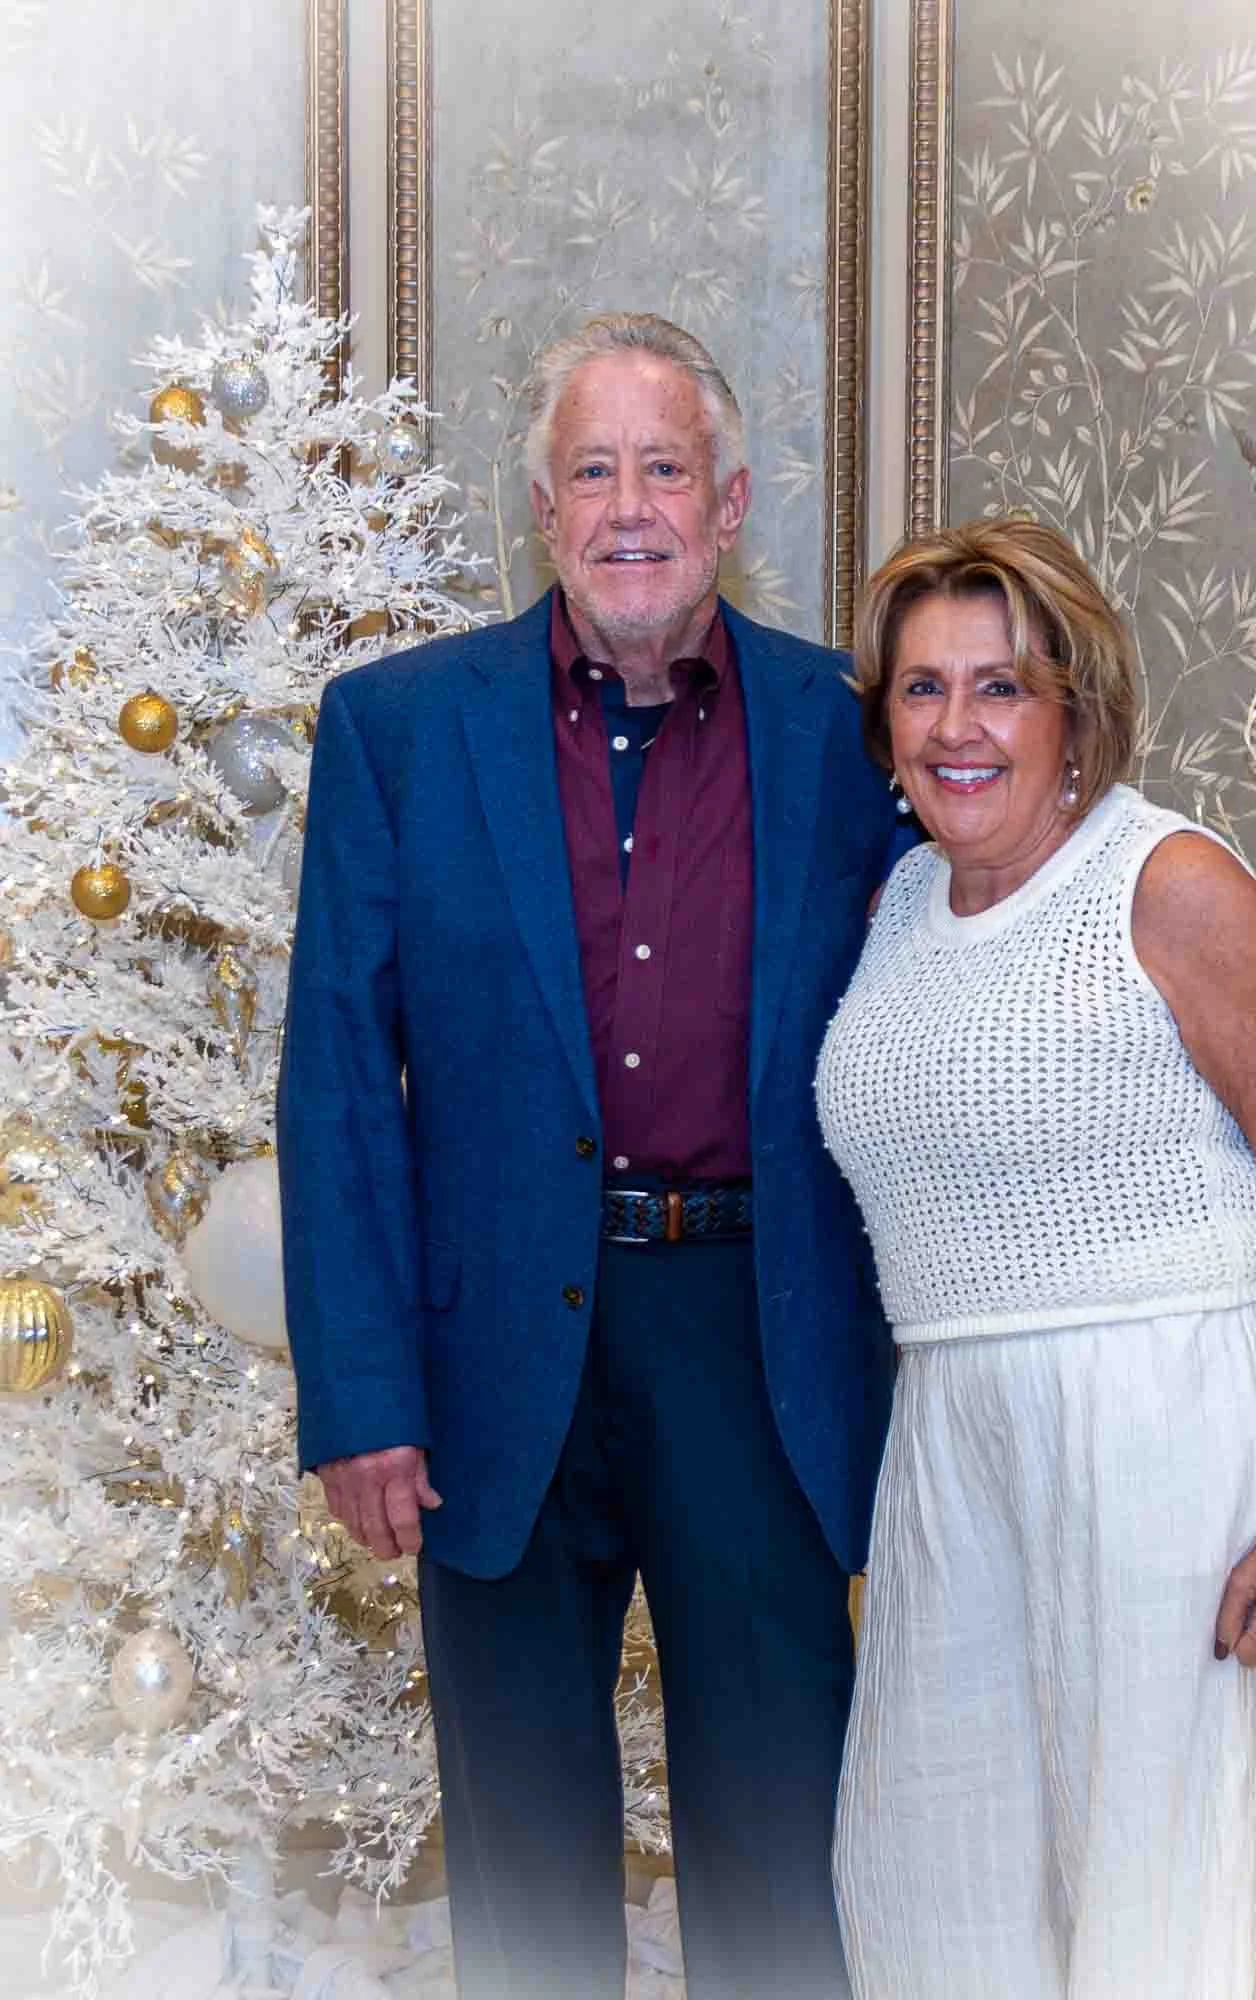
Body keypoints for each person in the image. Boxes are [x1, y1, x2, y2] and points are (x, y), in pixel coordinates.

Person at [276, 314, 905, 1999]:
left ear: (734, 498)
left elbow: (992, 954)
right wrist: (359, 1395)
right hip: (491, 1364)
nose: (633, 506)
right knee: (527, 1874)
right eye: (595, 470)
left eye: (667, 467)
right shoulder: (401, 731)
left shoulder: (852, 732)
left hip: (755, 1339)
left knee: (783, 1854)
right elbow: (335, 1076)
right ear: (545, 508)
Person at [815, 519, 1256, 2000]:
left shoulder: (1170, 887)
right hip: (946, 1433)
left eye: (999, 687)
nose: (958, 727)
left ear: (1075, 706)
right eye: (923, 689)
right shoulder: (897, 912)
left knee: (1152, 1911)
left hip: (1164, 1418)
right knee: (928, 1886)